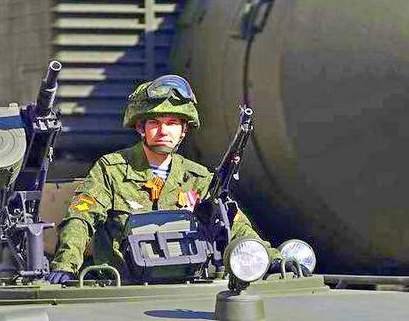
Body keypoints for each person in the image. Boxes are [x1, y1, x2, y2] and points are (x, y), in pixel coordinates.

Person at [48, 75, 306, 283]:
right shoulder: (111, 170)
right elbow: (81, 218)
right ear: (140, 127)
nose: (163, 131)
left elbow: (234, 225)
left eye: (172, 123)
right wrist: (66, 265)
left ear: (183, 130)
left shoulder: (199, 178)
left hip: (185, 287)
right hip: (123, 287)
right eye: (154, 122)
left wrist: (270, 258)